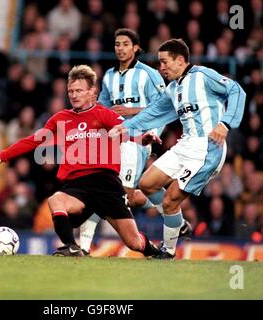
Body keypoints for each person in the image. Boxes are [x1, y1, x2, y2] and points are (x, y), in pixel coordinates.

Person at [0, 65, 161, 257]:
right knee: (56, 201)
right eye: (71, 91)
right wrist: (0, 157)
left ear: (92, 92)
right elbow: (33, 140)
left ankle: (155, 252)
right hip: (77, 185)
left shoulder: (103, 114)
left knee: (134, 242)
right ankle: (71, 247)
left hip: (106, 184)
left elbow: (125, 129)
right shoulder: (60, 119)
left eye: (79, 90)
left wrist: (142, 138)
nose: (74, 95)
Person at [110, 39, 246, 259]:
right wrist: (124, 127)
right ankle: (179, 224)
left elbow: (237, 91)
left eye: (164, 62)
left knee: (170, 199)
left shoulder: (203, 76)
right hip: (185, 145)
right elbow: (153, 112)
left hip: (208, 148)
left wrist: (225, 123)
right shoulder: (173, 89)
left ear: (180, 60)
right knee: (146, 183)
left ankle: (168, 251)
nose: (160, 67)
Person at [78, 28, 191, 254]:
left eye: (125, 44)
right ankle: (82, 247)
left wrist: (138, 117)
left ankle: (83, 246)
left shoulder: (148, 74)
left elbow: (166, 105)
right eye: (117, 44)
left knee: (121, 194)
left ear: (136, 48)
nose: (120, 48)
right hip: (115, 140)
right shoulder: (109, 75)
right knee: (120, 191)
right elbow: (103, 107)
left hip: (137, 140)